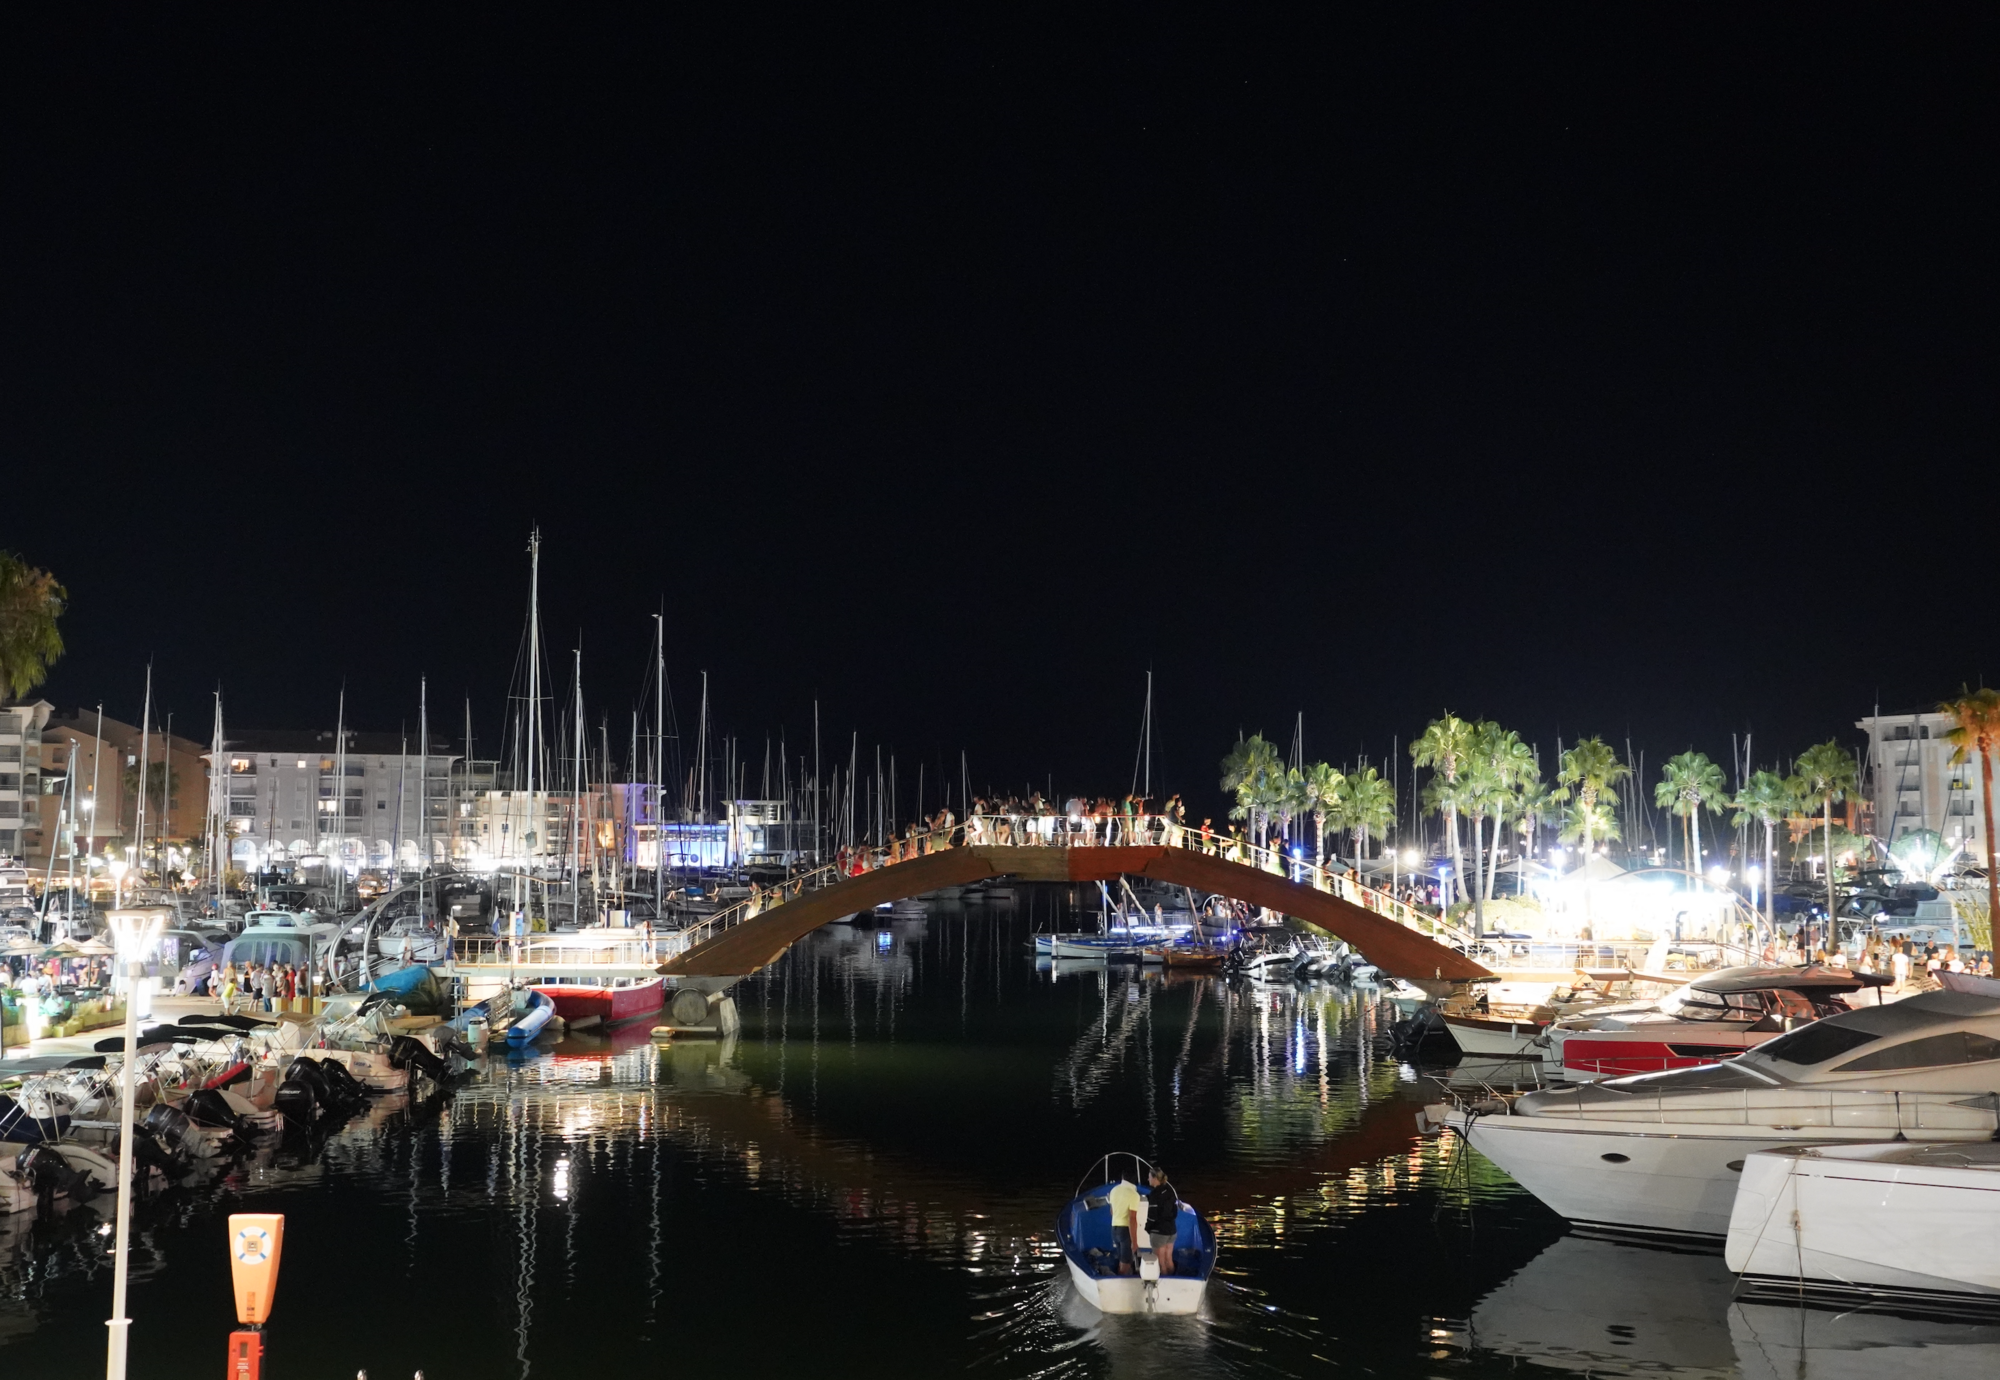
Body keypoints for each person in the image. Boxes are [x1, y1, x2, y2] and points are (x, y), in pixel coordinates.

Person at [1145, 1166, 1180, 1276]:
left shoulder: (1154, 1194)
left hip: (1159, 1232)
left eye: (1149, 1177)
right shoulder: (1170, 1191)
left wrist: (1147, 1227)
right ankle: (1174, 1280)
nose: (1148, 1179)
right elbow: (1174, 1211)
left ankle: (1164, 1283)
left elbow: (1152, 1216)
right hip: (1171, 1230)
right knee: (1168, 1260)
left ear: (1155, 1178)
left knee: (1160, 1263)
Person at [1107, 1176, 1145, 1276]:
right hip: (1125, 1231)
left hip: (1114, 1228)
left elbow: (1112, 1211)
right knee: (1125, 1263)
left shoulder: (1114, 1190)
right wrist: (1134, 1242)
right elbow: (1132, 1219)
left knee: (1121, 1259)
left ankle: (1119, 1277)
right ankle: (1120, 1282)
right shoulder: (1133, 1195)